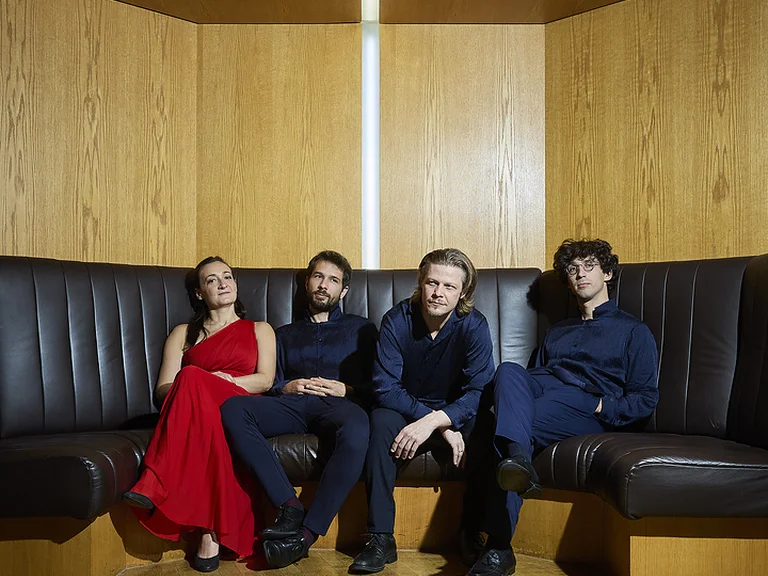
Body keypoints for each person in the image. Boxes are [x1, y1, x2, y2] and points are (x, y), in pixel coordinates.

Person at [466, 239, 659, 576]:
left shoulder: (633, 331)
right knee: (509, 370)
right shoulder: (557, 331)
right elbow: (523, 383)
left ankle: (497, 545)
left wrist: (601, 405)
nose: (579, 274)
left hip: (586, 402)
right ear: (567, 281)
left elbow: (645, 399)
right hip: (544, 385)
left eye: (588, 266)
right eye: (572, 270)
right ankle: (519, 463)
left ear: (608, 273)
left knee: (507, 425)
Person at [220, 250, 377, 569]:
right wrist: (285, 386)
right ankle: (289, 504)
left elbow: (379, 383)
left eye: (333, 280)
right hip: (291, 404)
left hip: (340, 405)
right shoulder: (284, 334)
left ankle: (304, 536)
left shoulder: (363, 330)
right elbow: (271, 381)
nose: (324, 285)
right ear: (308, 282)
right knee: (234, 408)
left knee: (359, 429)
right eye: (318, 277)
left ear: (343, 291)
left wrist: (346, 389)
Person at [123, 256, 276, 573]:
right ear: (198, 293)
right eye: (212, 280)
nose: (223, 283)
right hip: (195, 410)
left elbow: (265, 380)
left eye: (228, 277)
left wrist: (220, 381)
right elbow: (165, 388)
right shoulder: (183, 333)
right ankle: (210, 532)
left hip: (241, 403)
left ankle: (153, 484)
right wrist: (200, 386)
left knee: (193, 376)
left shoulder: (260, 329)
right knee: (192, 381)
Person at [350, 248, 496, 574]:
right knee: (379, 421)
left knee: (487, 429)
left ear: (463, 293)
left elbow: (478, 393)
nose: (437, 293)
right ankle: (380, 538)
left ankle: (471, 533)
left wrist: (438, 420)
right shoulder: (396, 320)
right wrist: (435, 423)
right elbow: (385, 389)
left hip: (455, 413)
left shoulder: (474, 326)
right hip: (403, 408)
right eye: (432, 283)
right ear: (421, 282)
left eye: (448, 287)